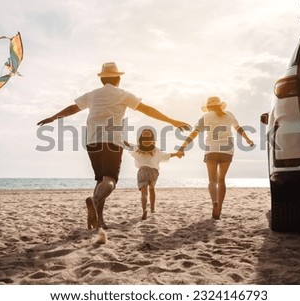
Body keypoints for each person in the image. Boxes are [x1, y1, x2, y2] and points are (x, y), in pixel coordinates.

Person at [37, 62, 190, 230]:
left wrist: (53, 117)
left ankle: (99, 221)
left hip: (92, 141)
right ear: (118, 78)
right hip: (112, 142)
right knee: (110, 180)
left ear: (102, 80)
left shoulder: (93, 94)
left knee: (100, 180)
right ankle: (95, 202)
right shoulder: (123, 94)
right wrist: (172, 121)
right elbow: (147, 110)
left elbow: (73, 108)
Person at [177, 96, 254, 220]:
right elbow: (238, 128)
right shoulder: (228, 114)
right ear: (220, 105)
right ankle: (220, 208)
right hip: (227, 150)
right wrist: (248, 139)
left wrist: (182, 147)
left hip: (212, 150)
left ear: (208, 107)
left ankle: (214, 202)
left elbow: (194, 133)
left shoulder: (205, 117)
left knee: (212, 180)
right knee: (221, 180)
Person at [124, 129, 181, 220]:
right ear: (152, 139)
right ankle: (152, 209)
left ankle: (144, 210)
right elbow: (167, 155)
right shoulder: (156, 150)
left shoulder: (137, 148)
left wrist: (117, 138)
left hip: (142, 171)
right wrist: (177, 154)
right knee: (152, 189)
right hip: (153, 172)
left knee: (144, 193)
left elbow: (126, 144)